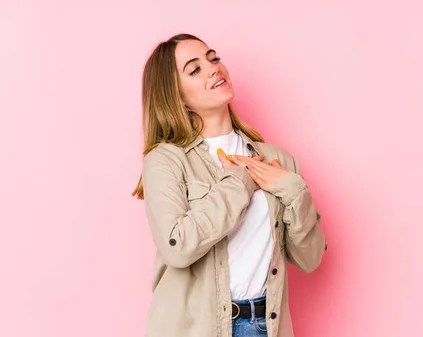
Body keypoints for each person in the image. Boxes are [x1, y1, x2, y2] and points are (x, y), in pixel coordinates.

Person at [131, 33, 327, 337]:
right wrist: (240, 181)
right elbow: (178, 248)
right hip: (194, 329)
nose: (213, 69)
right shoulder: (165, 161)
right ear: (176, 96)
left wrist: (293, 189)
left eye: (213, 58)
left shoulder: (277, 160)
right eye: (194, 69)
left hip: (265, 326)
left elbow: (309, 258)